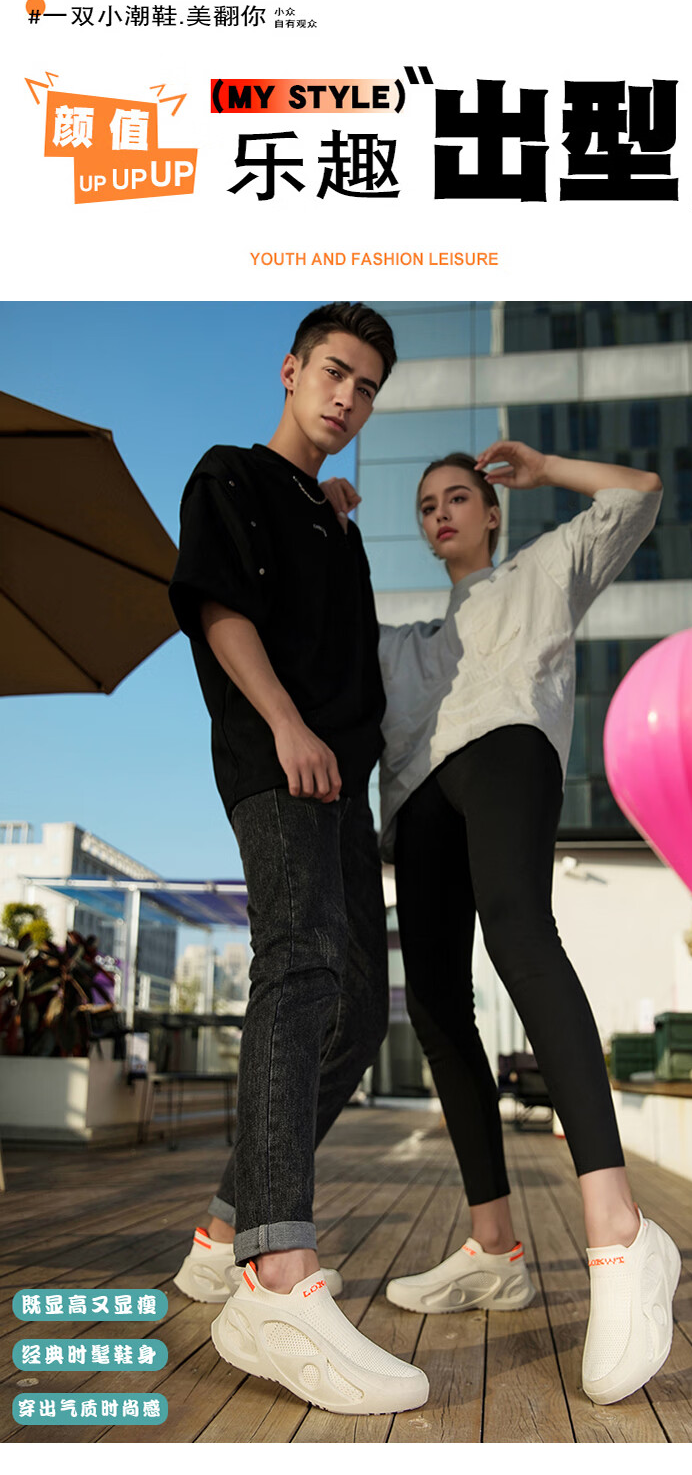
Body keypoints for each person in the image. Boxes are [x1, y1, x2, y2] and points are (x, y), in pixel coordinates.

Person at [369, 441, 681, 1407]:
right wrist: (326, 525)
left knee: (517, 932)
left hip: (506, 746)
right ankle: (495, 1248)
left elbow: (640, 494)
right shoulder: (404, 643)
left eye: (458, 497)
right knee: (434, 1004)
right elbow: (320, 639)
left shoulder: (540, 573)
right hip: (417, 794)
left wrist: (543, 467)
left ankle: (620, 1230)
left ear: (492, 512)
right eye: (427, 505)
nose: (441, 513)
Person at [167, 303, 429, 1417]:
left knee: (359, 1013)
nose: (348, 398)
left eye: (367, 387)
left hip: (344, 783)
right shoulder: (229, 472)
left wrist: (332, 518)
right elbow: (219, 609)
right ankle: (276, 1269)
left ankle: (222, 1229)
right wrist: (283, 723)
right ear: (290, 369)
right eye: (334, 371)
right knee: (297, 970)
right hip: (278, 761)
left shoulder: (336, 521)